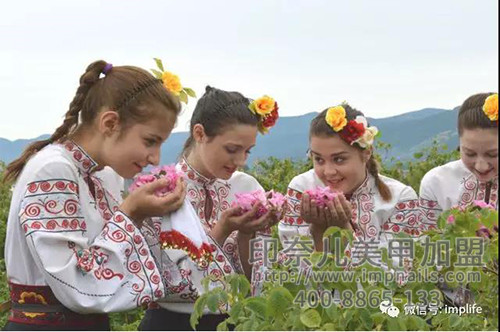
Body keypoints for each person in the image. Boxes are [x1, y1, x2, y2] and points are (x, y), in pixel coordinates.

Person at [2, 60, 186, 330]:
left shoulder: (104, 176)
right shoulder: (53, 169)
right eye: (150, 141)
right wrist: (132, 213)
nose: (155, 157)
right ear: (110, 123)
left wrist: (145, 213)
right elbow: (76, 283)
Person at [139, 87, 281, 331]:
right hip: (172, 323)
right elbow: (168, 281)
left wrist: (248, 233)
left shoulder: (246, 186)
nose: (240, 162)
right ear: (200, 133)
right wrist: (222, 230)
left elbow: (258, 278)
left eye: (247, 151)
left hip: (236, 321)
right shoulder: (163, 189)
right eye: (231, 149)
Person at [278, 103, 421, 261]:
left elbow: (397, 271)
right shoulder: (302, 189)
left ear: (366, 154)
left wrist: (344, 229)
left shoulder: (399, 199)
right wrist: (317, 230)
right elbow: (291, 267)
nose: (328, 171)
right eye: (318, 159)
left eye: (339, 159)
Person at [419, 92, 498, 227]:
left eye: (493, 154)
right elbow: (427, 240)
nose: (481, 166)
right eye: (470, 153)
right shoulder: (437, 182)